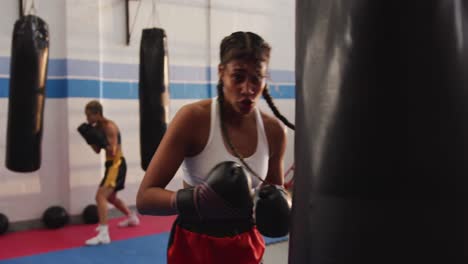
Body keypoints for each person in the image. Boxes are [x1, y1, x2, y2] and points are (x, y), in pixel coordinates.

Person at [137, 31, 294, 263]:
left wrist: (281, 206)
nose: (247, 89)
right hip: (194, 246)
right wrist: (196, 200)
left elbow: (273, 194)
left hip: (246, 247)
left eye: (257, 79)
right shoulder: (193, 119)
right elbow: (145, 199)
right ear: (222, 73)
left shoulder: (274, 132)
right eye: (238, 77)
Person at [81, 100, 140, 246]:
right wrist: (90, 139)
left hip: (117, 164)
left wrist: (100, 140)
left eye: (89, 115)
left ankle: (103, 234)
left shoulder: (109, 127)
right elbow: (97, 151)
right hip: (110, 165)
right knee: (111, 197)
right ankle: (131, 216)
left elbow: (112, 151)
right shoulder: (99, 127)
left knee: (100, 196)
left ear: (97, 114)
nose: (87, 119)